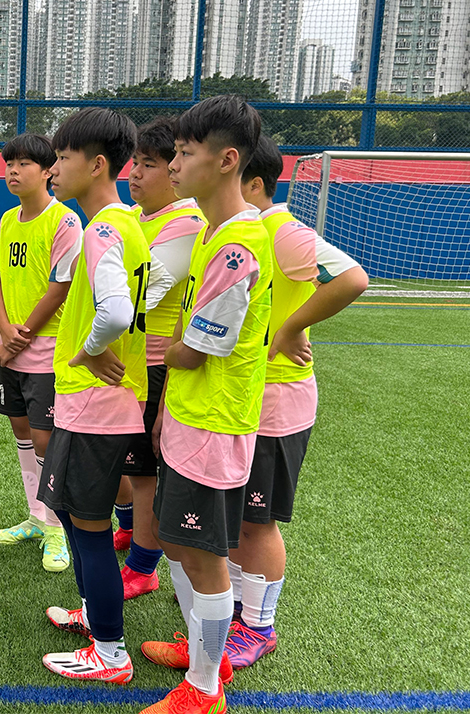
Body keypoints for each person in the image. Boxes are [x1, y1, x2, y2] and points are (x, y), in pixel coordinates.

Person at [140, 95, 273, 714]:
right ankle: (204, 654)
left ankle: (205, 689)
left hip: (215, 425)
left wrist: (171, 355)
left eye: (185, 153)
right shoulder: (211, 233)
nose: (173, 165)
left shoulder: (238, 244)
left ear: (226, 161)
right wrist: (168, 395)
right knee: (180, 546)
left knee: (204, 556)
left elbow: (195, 349)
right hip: (189, 417)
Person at [221, 135, 368, 669]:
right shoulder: (241, 232)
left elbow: (352, 278)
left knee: (257, 521)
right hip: (244, 397)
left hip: (278, 400)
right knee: (236, 516)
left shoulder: (280, 230)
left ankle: (258, 628)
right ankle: (237, 610)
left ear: (253, 183)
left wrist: (290, 327)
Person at [37, 107, 149, 684]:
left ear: (97, 164)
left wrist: (86, 351)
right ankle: (93, 617)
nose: (53, 169)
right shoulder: (129, 224)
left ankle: (109, 651)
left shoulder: (101, 228)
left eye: (62, 157)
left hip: (94, 402)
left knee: (89, 527)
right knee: (78, 517)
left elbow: (117, 312)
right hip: (101, 403)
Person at [118, 117, 207, 600]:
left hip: (154, 366)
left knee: (144, 474)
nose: (135, 173)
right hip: (129, 361)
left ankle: (143, 567)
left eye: (149, 164)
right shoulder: (136, 216)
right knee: (130, 467)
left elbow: (143, 295)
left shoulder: (185, 222)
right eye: (135, 162)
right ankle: (134, 533)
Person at [0, 132, 82, 573]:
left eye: (24, 163)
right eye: (9, 163)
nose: (13, 171)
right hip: (12, 350)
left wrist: (19, 336)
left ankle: (58, 528)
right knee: (22, 432)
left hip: (47, 351)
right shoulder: (8, 220)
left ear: (47, 171)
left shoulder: (65, 221)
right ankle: (36, 517)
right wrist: (5, 333)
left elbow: (60, 286)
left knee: (47, 440)